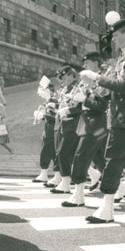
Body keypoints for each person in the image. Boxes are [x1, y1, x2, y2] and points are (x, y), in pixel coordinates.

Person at [78, 14, 125, 224]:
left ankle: (106, 208)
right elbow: (116, 88)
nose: (113, 39)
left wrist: (97, 78)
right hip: (124, 116)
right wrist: (97, 88)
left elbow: (124, 86)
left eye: (116, 35)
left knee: (112, 159)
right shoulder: (123, 57)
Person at [63, 52, 108, 208]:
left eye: (88, 63)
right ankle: (121, 189)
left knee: (81, 156)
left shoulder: (101, 80)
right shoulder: (90, 80)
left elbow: (102, 106)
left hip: (96, 124)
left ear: (96, 63)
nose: (85, 67)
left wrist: (84, 100)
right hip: (89, 123)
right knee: (98, 158)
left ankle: (78, 194)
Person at [50, 66, 81, 195]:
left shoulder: (77, 88)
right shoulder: (67, 89)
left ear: (72, 76)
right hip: (65, 124)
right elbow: (63, 104)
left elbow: (80, 107)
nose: (63, 80)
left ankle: (66, 183)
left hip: (74, 124)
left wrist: (68, 110)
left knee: (63, 153)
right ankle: (66, 181)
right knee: (68, 154)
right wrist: (54, 106)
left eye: (65, 77)